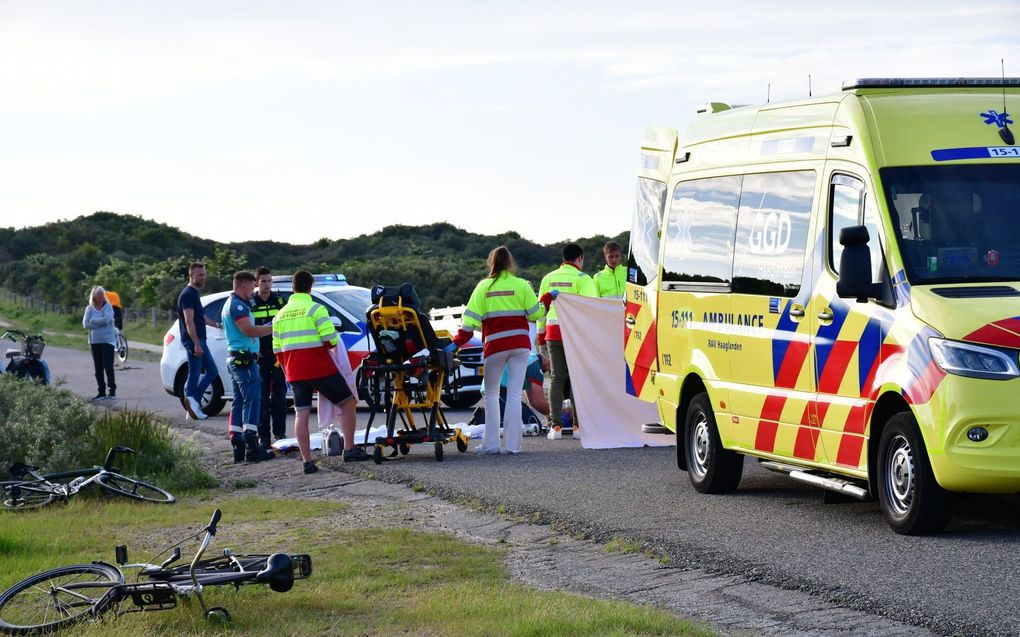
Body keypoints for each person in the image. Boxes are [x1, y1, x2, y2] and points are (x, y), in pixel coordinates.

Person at [273, 270, 372, 474]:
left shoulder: (279, 316)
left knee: (301, 414)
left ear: (293, 287)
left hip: (294, 372)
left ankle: (307, 461)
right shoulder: (316, 309)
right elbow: (331, 340)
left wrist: (287, 374)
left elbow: (277, 351)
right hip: (320, 368)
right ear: (310, 287)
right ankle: (349, 448)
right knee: (348, 401)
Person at [449, 246, 544, 454]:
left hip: (495, 346)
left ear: (491, 263)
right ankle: (513, 446)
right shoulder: (521, 285)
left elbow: (468, 324)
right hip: (520, 347)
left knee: (491, 395)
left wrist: (454, 345)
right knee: (514, 395)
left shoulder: (483, 287)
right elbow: (536, 313)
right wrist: (546, 299)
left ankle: (491, 445)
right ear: (510, 263)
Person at [537, 242, 596, 435]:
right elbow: (590, 308)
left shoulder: (548, 278)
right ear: (580, 258)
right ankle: (579, 426)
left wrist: (540, 335)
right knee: (577, 378)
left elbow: (541, 308)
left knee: (557, 377)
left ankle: (556, 426)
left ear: (563, 259)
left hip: (552, 332)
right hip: (575, 334)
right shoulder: (583, 278)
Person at [222, 271, 275, 463]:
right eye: (252, 287)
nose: (253, 291)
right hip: (244, 361)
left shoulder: (235, 303)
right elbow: (248, 330)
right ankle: (252, 447)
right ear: (243, 286)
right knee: (253, 400)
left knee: (239, 402)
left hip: (238, 358)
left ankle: (238, 444)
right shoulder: (237, 305)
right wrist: (273, 327)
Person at [178, 262, 221, 421]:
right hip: (195, 340)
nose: (203, 277)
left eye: (204, 274)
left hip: (198, 339)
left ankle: (192, 408)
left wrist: (217, 325)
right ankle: (193, 400)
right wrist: (196, 343)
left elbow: (200, 317)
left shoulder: (194, 294)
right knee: (211, 371)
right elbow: (189, 321)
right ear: (191, 276)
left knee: (195, 373)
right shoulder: (188, 294)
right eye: (199, 275)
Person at [252, 267, 288, 448]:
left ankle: (280, 434)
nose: (267, 284)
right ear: (256, 283)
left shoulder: (280, 301)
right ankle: (263, 437)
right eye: (263, 281)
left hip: (278, 356)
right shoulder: (251, 303)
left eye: (269, 281)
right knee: (261, 398)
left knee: (280, 397)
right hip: (259, 357)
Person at [82, 286, 116, 400]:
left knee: (108, 366)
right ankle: (101, 391)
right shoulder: (89, 309)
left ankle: (112, 390)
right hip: (94, 341)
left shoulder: (108, 307)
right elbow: (85, 324)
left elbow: (107, 319)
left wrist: (94, 321)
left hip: (108, 340)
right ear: (94, 296)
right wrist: (100, 324)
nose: (101, 296)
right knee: (98, 368)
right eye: (99, 294)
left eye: (102, 294)